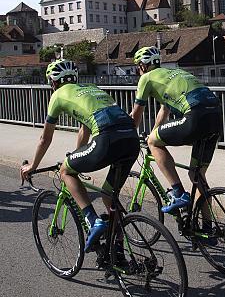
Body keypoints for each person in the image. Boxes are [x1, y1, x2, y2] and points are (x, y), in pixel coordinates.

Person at [21, 59, 140, 252]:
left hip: (107, 139)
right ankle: (117, 247)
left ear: (53, 81)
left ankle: (94, 222)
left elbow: (45, 138)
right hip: (131, 138)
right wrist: (78, 155)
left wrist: (33, 166)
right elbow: (84, 129)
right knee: (109, 196)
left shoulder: (58, 95)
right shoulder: (90, 88)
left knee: (66, 171)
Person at [129, 46, 222, 214]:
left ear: (143, 65)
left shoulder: (147, 78)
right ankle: (207, 230)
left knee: (152, 142)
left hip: (195, 115)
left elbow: (136, 115)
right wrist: (155, 132)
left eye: (138, 66)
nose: (138, 70)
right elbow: (164, 110)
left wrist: (128, 138)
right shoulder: (174, 73)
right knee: (196, 175)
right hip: (215, 116)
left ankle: (178, 193)